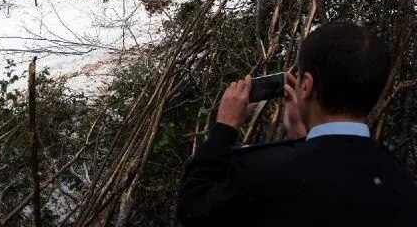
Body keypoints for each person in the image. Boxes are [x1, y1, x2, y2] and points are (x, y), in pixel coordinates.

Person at [177, 22, 417, 227]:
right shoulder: (401, 183)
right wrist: (305, 139)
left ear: (306, 85)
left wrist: (224, 127)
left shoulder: (261, 174)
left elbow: (194, 210)